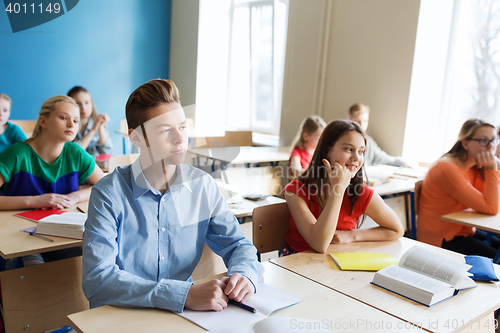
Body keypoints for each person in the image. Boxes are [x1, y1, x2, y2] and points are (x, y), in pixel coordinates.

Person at [82, 79, 264, 313]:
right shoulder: (108, 193)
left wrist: (245, 275)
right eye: (165, 130)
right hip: (121, 315)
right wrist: (183, 294)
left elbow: (238, 245)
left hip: (184, 314)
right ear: (137, 137)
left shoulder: (202, 187)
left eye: (182, 126)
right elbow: (97, 280)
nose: (180, 139)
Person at [0, 95, 104, 265]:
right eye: (63, 118)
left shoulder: (75, 152)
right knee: (31, 268)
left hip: (62, 233)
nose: (71, 124)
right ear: (43, 122)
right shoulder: (17, 154)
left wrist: (75, 196)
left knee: (94, 256)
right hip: (18, 238)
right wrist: (34, 201)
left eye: (76, 121)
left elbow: (105, 185)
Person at [284, 119, 404, 254]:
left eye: (361, 152)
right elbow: (319, 244)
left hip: (338, 264)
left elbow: (397, 230)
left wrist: (352, 235)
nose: (356, 158)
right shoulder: (296, 190)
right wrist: (338, 189)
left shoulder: (360, 192)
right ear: (328, 150)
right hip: (297, 266)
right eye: (349, 149)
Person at [417, 119, 500, 258]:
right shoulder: (447, 169)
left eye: (494, 140)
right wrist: (492, 168)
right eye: (483, 140)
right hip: (441, 238)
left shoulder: (475, 165)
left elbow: (491, 200)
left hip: (463, 231)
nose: (491, 146)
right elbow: (491, 208)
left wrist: (493, 165)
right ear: (466, 143)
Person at [347, 103, 407, 167]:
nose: (362, 125)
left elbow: (381, 157)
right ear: (349, 120)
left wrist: (401, 163)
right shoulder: (344, 140)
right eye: (358, 121)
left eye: (365, 121)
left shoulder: (369, 141)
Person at [67, 86, 112, 156]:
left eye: (87, 103)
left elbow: (107, 153)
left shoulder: (97, 123)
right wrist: (93, 130)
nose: (83, 107)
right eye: (78, 104)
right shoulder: (67, 127)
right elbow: (74, 153)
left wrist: (100, 127)